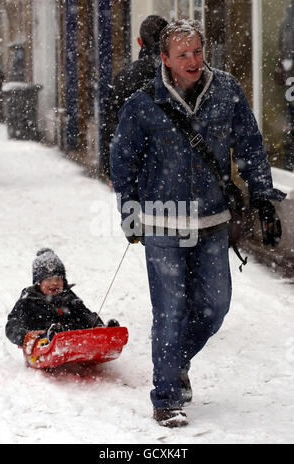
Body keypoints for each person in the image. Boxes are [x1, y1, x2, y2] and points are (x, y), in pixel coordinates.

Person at [110, 19, 286, 427]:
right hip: (161, 221)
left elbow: (250, 144)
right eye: (183, 54)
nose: (192, 61)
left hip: (211, 218)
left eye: (197, 52)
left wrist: (262, 197)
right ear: (165, 59)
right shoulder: (144, 101)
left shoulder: (226, 90)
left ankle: (177, 361)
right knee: (169, 310)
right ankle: (166, 395)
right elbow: (123, 162)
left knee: (215, 305)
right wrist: (130, 212)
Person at [99, 15, 168, 182]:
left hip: (140, 170)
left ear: (139, 41)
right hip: (179, 169)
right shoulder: (182, 74)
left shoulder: (125, 77)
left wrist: (111, 169)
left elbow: (111, 125)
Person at [6, 248, 119, 348]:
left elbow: (84, 314)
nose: (55, 283)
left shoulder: (68, 296)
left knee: (81, 319)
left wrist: (97, 325)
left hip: (74, 340)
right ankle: (54, 338)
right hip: (41, 343)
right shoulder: (28, 300)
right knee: (51, 334)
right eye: (49, 279)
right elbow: (12, 325)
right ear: (38, 283)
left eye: (58, 279)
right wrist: (26, 335)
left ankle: (106, 334)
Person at [275, 1, 294, 171]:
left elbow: (283, 48)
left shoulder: (288, 20)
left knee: (290, 125)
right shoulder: (289, 20)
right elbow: (284, 48)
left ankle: (289, 166)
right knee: (290, 124)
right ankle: (289, 167)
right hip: (291, 80)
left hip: (290, 80)